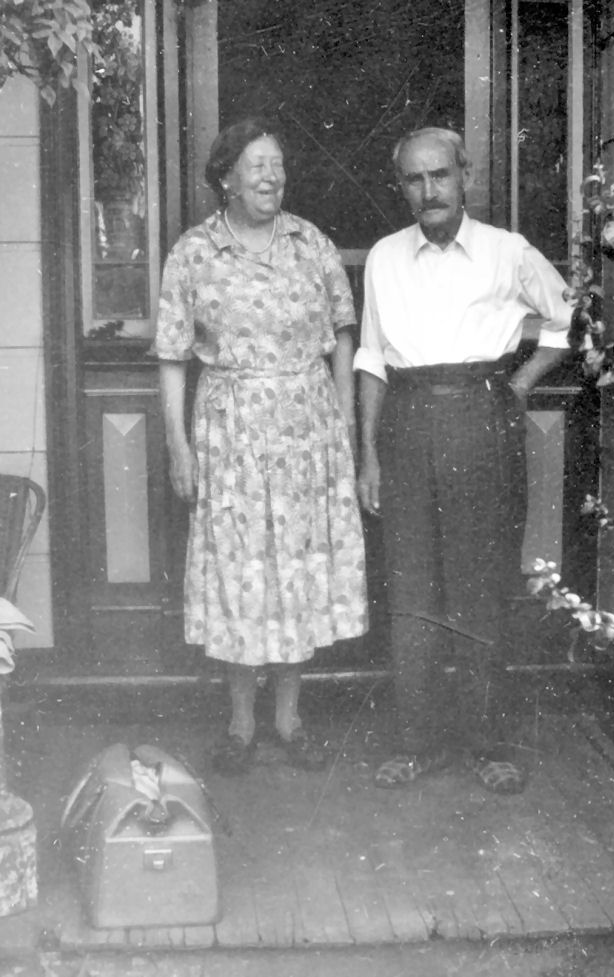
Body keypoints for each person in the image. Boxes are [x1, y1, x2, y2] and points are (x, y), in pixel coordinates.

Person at [355, 126, 572, 792]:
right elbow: (372, 358)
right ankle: (415, 743)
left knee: (482, 582)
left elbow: (567, 318)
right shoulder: (385, 257)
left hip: (483, 417)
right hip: (406, 419)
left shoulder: (508, 251)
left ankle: (486, 745)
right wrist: (369, 455)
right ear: (403, 188)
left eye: (440, 175)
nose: (429, 191)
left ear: (465, 176)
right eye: (414, 179)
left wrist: (520, 384)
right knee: (411, 589)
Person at [153, 117, 368, 775]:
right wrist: (178, 447)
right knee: (241, 573)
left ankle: (290, 719)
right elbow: (171, 356)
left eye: (277, 164)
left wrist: (344, 426)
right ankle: (241, 722)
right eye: (256, 165)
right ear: (226, 177)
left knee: (295, 571)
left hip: (307, 432)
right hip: (232, 436)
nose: (271, 176)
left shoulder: (310, 243)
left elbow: (343, 334)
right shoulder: (194, 252)